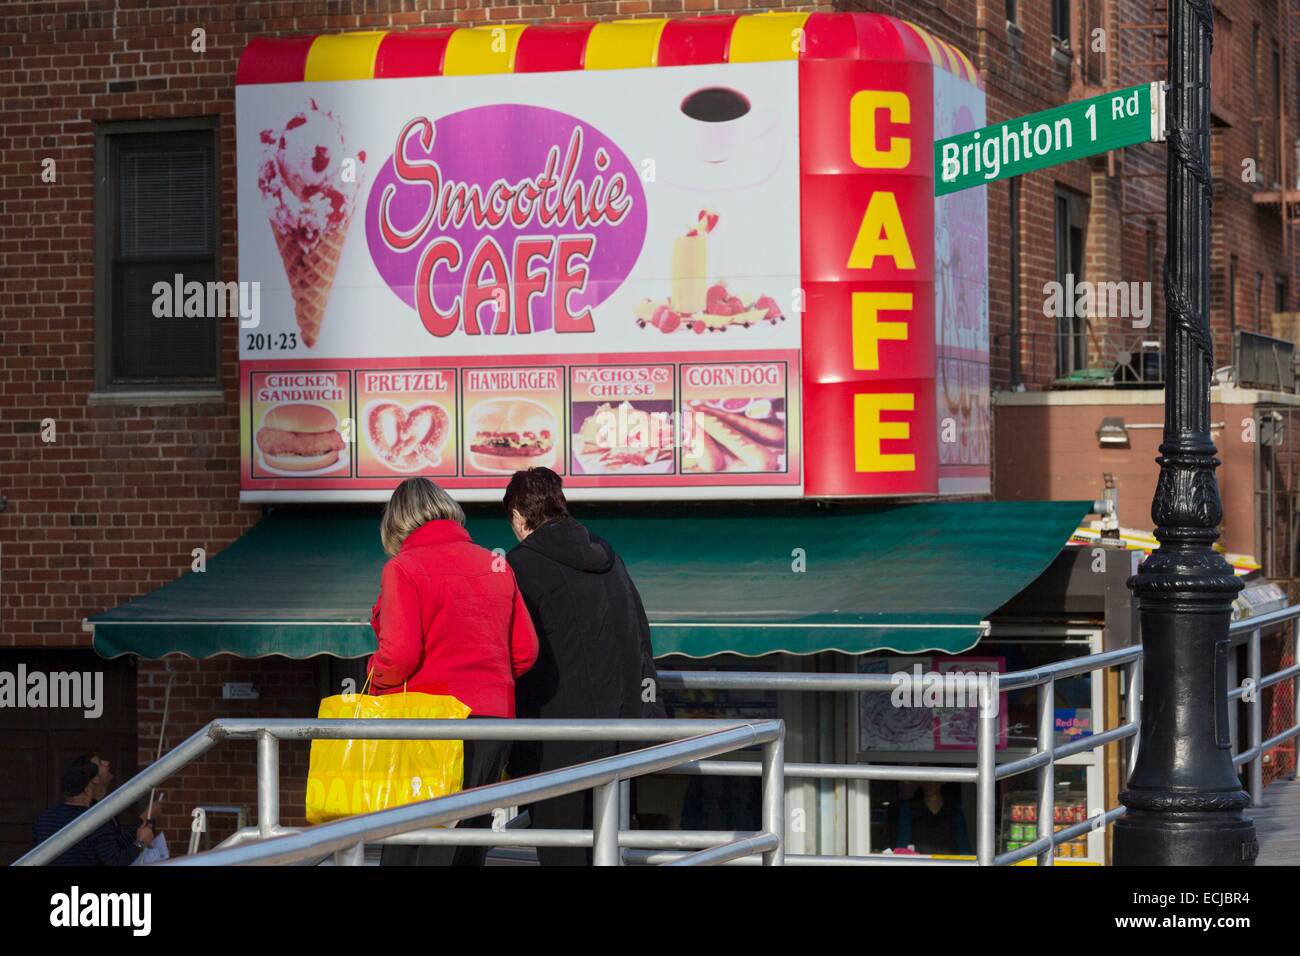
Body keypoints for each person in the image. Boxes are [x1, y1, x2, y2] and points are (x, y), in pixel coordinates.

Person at [369, 477, 539, 866]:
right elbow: (525, 652)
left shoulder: (403, 568)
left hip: (431, 730)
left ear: (396, 524)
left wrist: (373, 673)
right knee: (467, 845)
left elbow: (399, 656)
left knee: (411, 843)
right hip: (494, 725)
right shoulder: (494, 563)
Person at [503, 467, 666, 866]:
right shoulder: (608, 556)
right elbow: (640, 634)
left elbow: (512, 650)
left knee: (561, 854)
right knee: (604, 849)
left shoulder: (521, 567)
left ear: (520, 518)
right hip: (616, 739)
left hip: (554, 744)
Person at [32, 758, 155, 866]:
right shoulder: (94, 822)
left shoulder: (44, 820)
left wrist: (139, 823)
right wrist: (141, 844)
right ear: (87, 790)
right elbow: (116, 861)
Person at [890, 781, 972, 855]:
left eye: (934, 780)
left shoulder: (954, 809)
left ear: (942, 781)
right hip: (919, 862)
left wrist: (966, 861)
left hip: (948, 861)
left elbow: (963, 843)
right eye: (925, 780)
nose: (929, 784)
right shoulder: (909, 808)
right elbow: (902, 843)